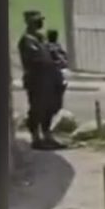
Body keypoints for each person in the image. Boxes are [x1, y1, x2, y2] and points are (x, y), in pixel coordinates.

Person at [17, 11, 62, 149]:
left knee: (50, 107)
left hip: (49, 78)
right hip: (36, 79)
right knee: (37, 108)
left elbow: (52, 55)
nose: (39, 24)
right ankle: (36, 138)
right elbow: (35, 59)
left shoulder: (41, 38)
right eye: (36, 21)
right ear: (29, 22)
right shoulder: (26, 40)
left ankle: (47, 135)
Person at [45, 29, 70, 133]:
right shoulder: (55, 47)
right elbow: (64, 59)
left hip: (54, 75)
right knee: (57, 96)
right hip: (56, 75)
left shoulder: (49, 47)